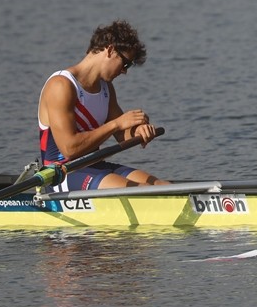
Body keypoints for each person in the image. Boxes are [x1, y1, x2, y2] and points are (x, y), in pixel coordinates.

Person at [37, 19, 169, 191]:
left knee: (161, 186)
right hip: (62, 175)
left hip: (95, 168)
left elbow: (123, 135)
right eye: (125, 63)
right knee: (141, 191)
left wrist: (139, 132)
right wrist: (115, 124)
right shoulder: (61, 86)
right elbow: (69, 148)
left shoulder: (106, 89)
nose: (125, 71)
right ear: (111, 50)